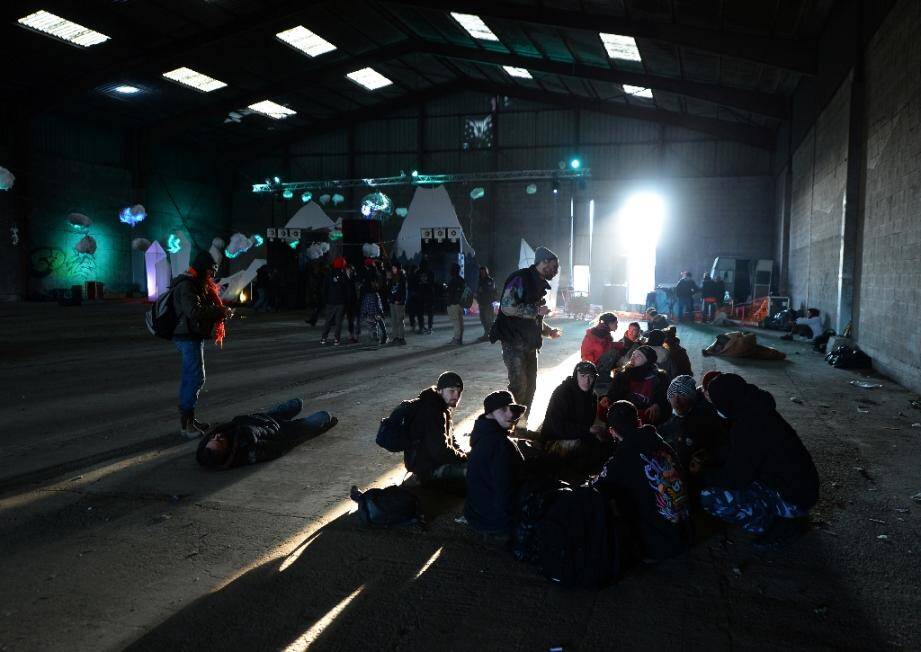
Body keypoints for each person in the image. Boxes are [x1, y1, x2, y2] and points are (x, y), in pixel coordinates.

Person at [693, 373, 819, 548]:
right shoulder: (755, 409)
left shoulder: (748, 427)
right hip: (801, 487)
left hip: (793, 498)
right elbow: (737, 452)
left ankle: (774, 524)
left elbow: (735, 478)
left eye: (715, 402)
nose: (716, 407)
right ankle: (783, 515)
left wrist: (704, 475)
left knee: (711, 497)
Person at [592, 400, 693, 562]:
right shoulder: (660, 441)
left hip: (661, 546)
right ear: (639, 421)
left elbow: (596, 486)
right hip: (686, 531)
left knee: (607, 498)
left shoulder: (622, 456)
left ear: (612, 431)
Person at [491, 246, 562, 420]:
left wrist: (547, 330)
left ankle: (522, 426)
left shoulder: (538, 283)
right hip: (513, 343)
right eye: (554, 266)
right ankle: (508, 424)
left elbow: (534, 317)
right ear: (543, 262)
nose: (556, 270)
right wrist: (536, 311)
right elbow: (507, 308)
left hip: (530, 344)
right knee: (519, 386)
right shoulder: (520, 278)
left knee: (531, 387)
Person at [172, 250, 232, 439]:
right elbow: (194, 311)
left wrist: (219, 311)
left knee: (191, 377)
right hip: (186, 335)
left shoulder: (196, 283)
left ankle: (190, 418)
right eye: (211, 270)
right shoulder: (188, 285)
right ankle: (186, 425)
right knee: (196, 377)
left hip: (190, 334)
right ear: (203, 269)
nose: (213, 275)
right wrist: (219, 311)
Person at [197, 399, 334, 469]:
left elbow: (242, 419)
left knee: (297, 403)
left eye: (214, 438)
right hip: (281, 431)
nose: (217, 436)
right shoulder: (248, 453)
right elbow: (275, 448)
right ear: (227, 450)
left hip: (266, 418)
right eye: (219, 441)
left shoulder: (224, 432)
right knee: (324, 416)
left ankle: (286, 416)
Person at [463, 390, 528, 538]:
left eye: (511, 409)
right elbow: (504, 491)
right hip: (493, 520)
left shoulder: (481, 434)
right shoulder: (500, 444)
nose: (510, 414)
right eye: (503, 409)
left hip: (474, 514)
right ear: (490, 413)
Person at [404, 371, 468, 486]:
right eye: (452, 391)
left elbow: (451, 439)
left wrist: (463, 455)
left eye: (459, 392)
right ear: (440, 390)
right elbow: (440, 452)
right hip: (427, 469)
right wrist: (463, 459)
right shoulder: (431, 411)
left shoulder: (442, 408)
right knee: (476, 473)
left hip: (434, 461)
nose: (456, 396)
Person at [658, 375, 728, 470]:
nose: (676, 401)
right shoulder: (666, 416)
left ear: (692, 397)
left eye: (682, 394)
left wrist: (706, 458)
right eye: (672, 395)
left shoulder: (706, 419)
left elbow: (721, 447)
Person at [540, 361, 606, 459]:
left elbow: (588, 423)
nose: (587, 381)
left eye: (590, 377)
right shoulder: (562, 393)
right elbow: (557, 427)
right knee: (584, 448)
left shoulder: (592, 396)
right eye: (583, 376)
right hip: (554, 439)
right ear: (576, 376)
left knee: (602, 444)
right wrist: (588, 430)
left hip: (578, 434)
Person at [604, 345, 670, 426]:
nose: (633, 357)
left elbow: (665, 398)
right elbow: (613, 392)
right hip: (623, 412)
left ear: (648, 361)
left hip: (645, 415)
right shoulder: (622, 374)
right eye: (633, 354)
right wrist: (608, 397)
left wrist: (658, 404)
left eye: (639, 356)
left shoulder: (660, 377)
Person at [446, 263, 466, 346]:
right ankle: (459, 338)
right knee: (460, 322)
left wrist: (449, 303)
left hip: (453, 304)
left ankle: (457, 339)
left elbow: (450, 293)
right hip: (460, 304)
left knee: (456, 322)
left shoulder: (453, 280)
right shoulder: (461, 280)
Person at [388, 262, 407, 345]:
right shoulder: (392, 278)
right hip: (392, 302)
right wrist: (390, 299)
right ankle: (395, 338)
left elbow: (404, 291)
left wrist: (401, 301)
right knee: (394, 321)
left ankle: (401, 338)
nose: (393, 269)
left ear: (398, 269)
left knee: (400, 320)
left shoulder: (402, 277)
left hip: (399, 303)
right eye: (392, 268)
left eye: (394, 268)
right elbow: (390, 289)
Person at [413, 260, 435, 334]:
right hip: (428, 294)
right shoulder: (430, 272)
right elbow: (433, 283)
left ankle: (422, 327)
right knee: (430, 312)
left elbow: (415, 284)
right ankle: (430, 327)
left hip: (420, 294)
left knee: (420, 312)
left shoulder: (417, 272)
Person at [475, 266, 497, 341]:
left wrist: (482, 289)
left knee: (488, 320)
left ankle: (490, 334)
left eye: (483, 272)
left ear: (486, 272)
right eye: (481, 272)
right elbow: (479, 291)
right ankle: (487, 334)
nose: (482, 273)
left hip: (487, 303)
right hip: (481, 303)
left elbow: (490, 290)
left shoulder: (489, 280)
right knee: (483, 319)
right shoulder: (480, 281)